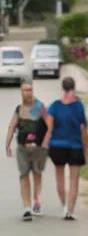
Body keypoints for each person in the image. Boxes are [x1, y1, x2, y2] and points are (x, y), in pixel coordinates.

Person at [5, 80, 50, 221]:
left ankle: (37, 202)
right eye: (25, 90)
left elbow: (50, 126)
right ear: (21, 92)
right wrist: (7, 143)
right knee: (24, 176)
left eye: (30, 89)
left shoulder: (40, 107)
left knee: (37, 175)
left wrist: (44, 144)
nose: (28, 92)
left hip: (39, 150)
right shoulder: (19, 109)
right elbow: (12, 126)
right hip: (23, 149)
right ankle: (26, 209)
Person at [45, 76, 88, 222]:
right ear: (74, 87)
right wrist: (85, 149)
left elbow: (49, 128)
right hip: (75, 146)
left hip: (57, 146)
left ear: (63, 88)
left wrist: (46, 142)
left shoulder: (54, 106)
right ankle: (70, 210)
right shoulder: (79, 106)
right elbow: (83, 129)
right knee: (74, 179)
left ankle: (64, 207)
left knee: (59, 178)